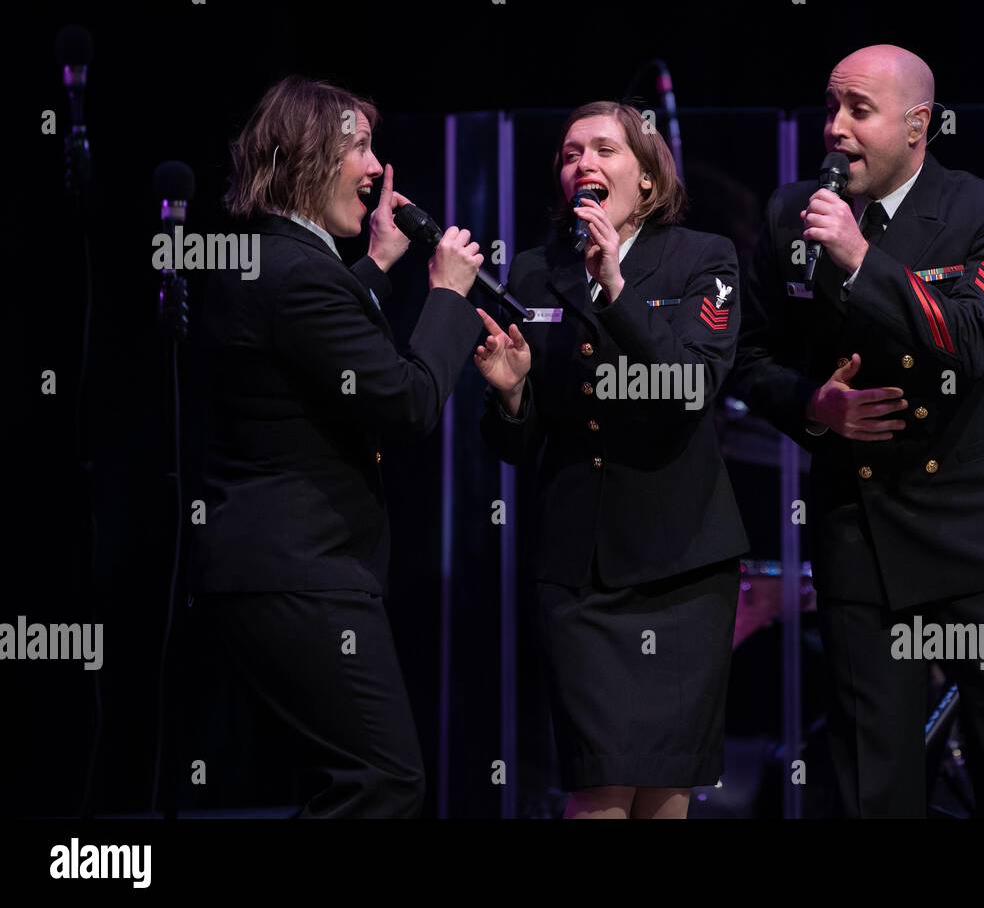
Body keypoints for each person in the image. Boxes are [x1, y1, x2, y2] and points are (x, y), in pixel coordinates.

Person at [732, 46, 984, 817]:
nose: (835, 129)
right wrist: (814, 406)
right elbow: (745, 357)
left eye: (859, 111)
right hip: (864, 536)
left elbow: (978, 337)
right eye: (829, 109)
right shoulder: (791, 213)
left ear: (918, 125)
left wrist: (859, 260)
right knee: (871, 784)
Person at [190, 76, 484, 817]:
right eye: (359, 146)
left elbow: (320, 347)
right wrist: (447, 294)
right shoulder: (297, 276)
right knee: (381, 780)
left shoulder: (278, 262)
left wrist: (379, 266)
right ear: (308, 158)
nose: (378, 167)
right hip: (304, 569)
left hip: (273, 567)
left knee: (342, 780)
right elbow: (408, 400)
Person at [476, 101, 749, 819]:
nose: (583, 165)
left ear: (650, 179)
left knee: (665, 789)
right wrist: (510, 399)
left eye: (603, 149)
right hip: (581, 569)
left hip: (684, 565)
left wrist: (620, 290)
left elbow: (688, 388)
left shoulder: (704, 259)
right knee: (597, 785)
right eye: (570, 154)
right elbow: (519, 443)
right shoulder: (536, 272)